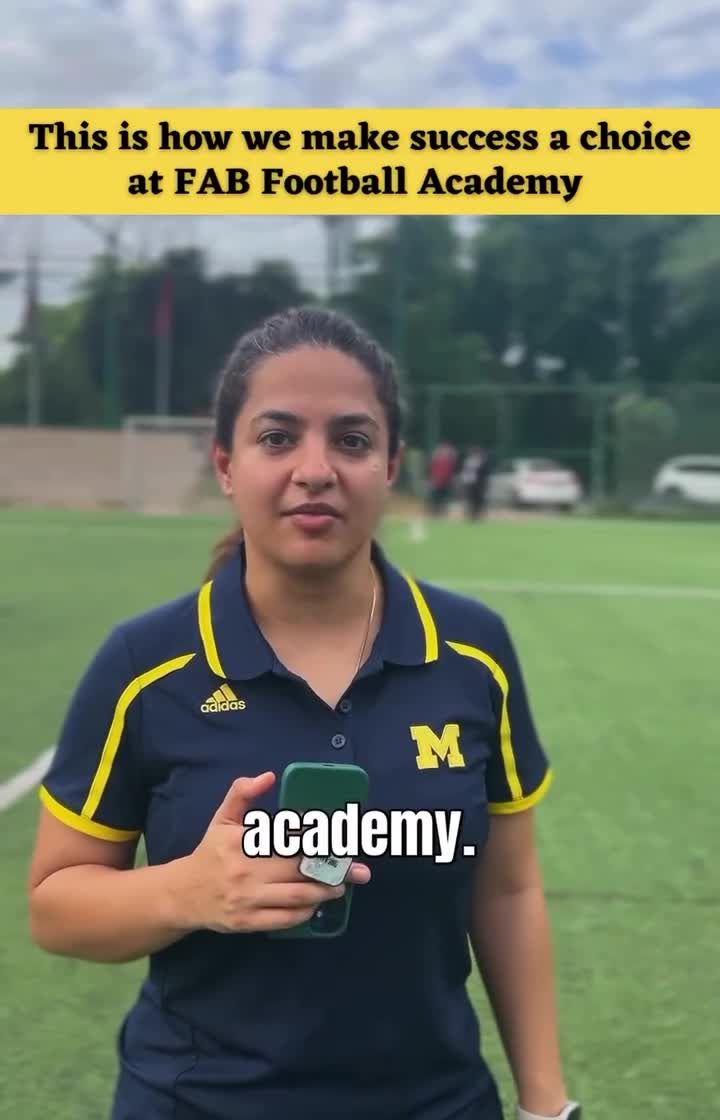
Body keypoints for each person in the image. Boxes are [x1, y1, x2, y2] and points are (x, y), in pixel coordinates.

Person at [27, 306, 580, 1120]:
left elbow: (507, 890)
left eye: (351, 440)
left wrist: (546, 1104)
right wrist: (185, 892)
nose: (315, 469)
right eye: (278, 437)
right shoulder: (146, 664)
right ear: (226, 464)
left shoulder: (473, 652)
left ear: (391, 465)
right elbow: (55, 906)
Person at [426, 440, 458, 516]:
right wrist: (431, 479)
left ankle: (441, 511)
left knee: (443, 497)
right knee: (435, 496)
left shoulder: (450, 460)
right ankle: (433, 510)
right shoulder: (436, 459)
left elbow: (452, 471)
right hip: (436, 480)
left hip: (445, 481)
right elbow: (431, 469)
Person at [461, 446, 492, 520]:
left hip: (479, 484)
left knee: (478, 500)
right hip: (471, 483)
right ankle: (472, 514)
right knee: (471, 500)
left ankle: (477, 514)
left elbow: (485, 474)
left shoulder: (482, 462)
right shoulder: (469, 461)